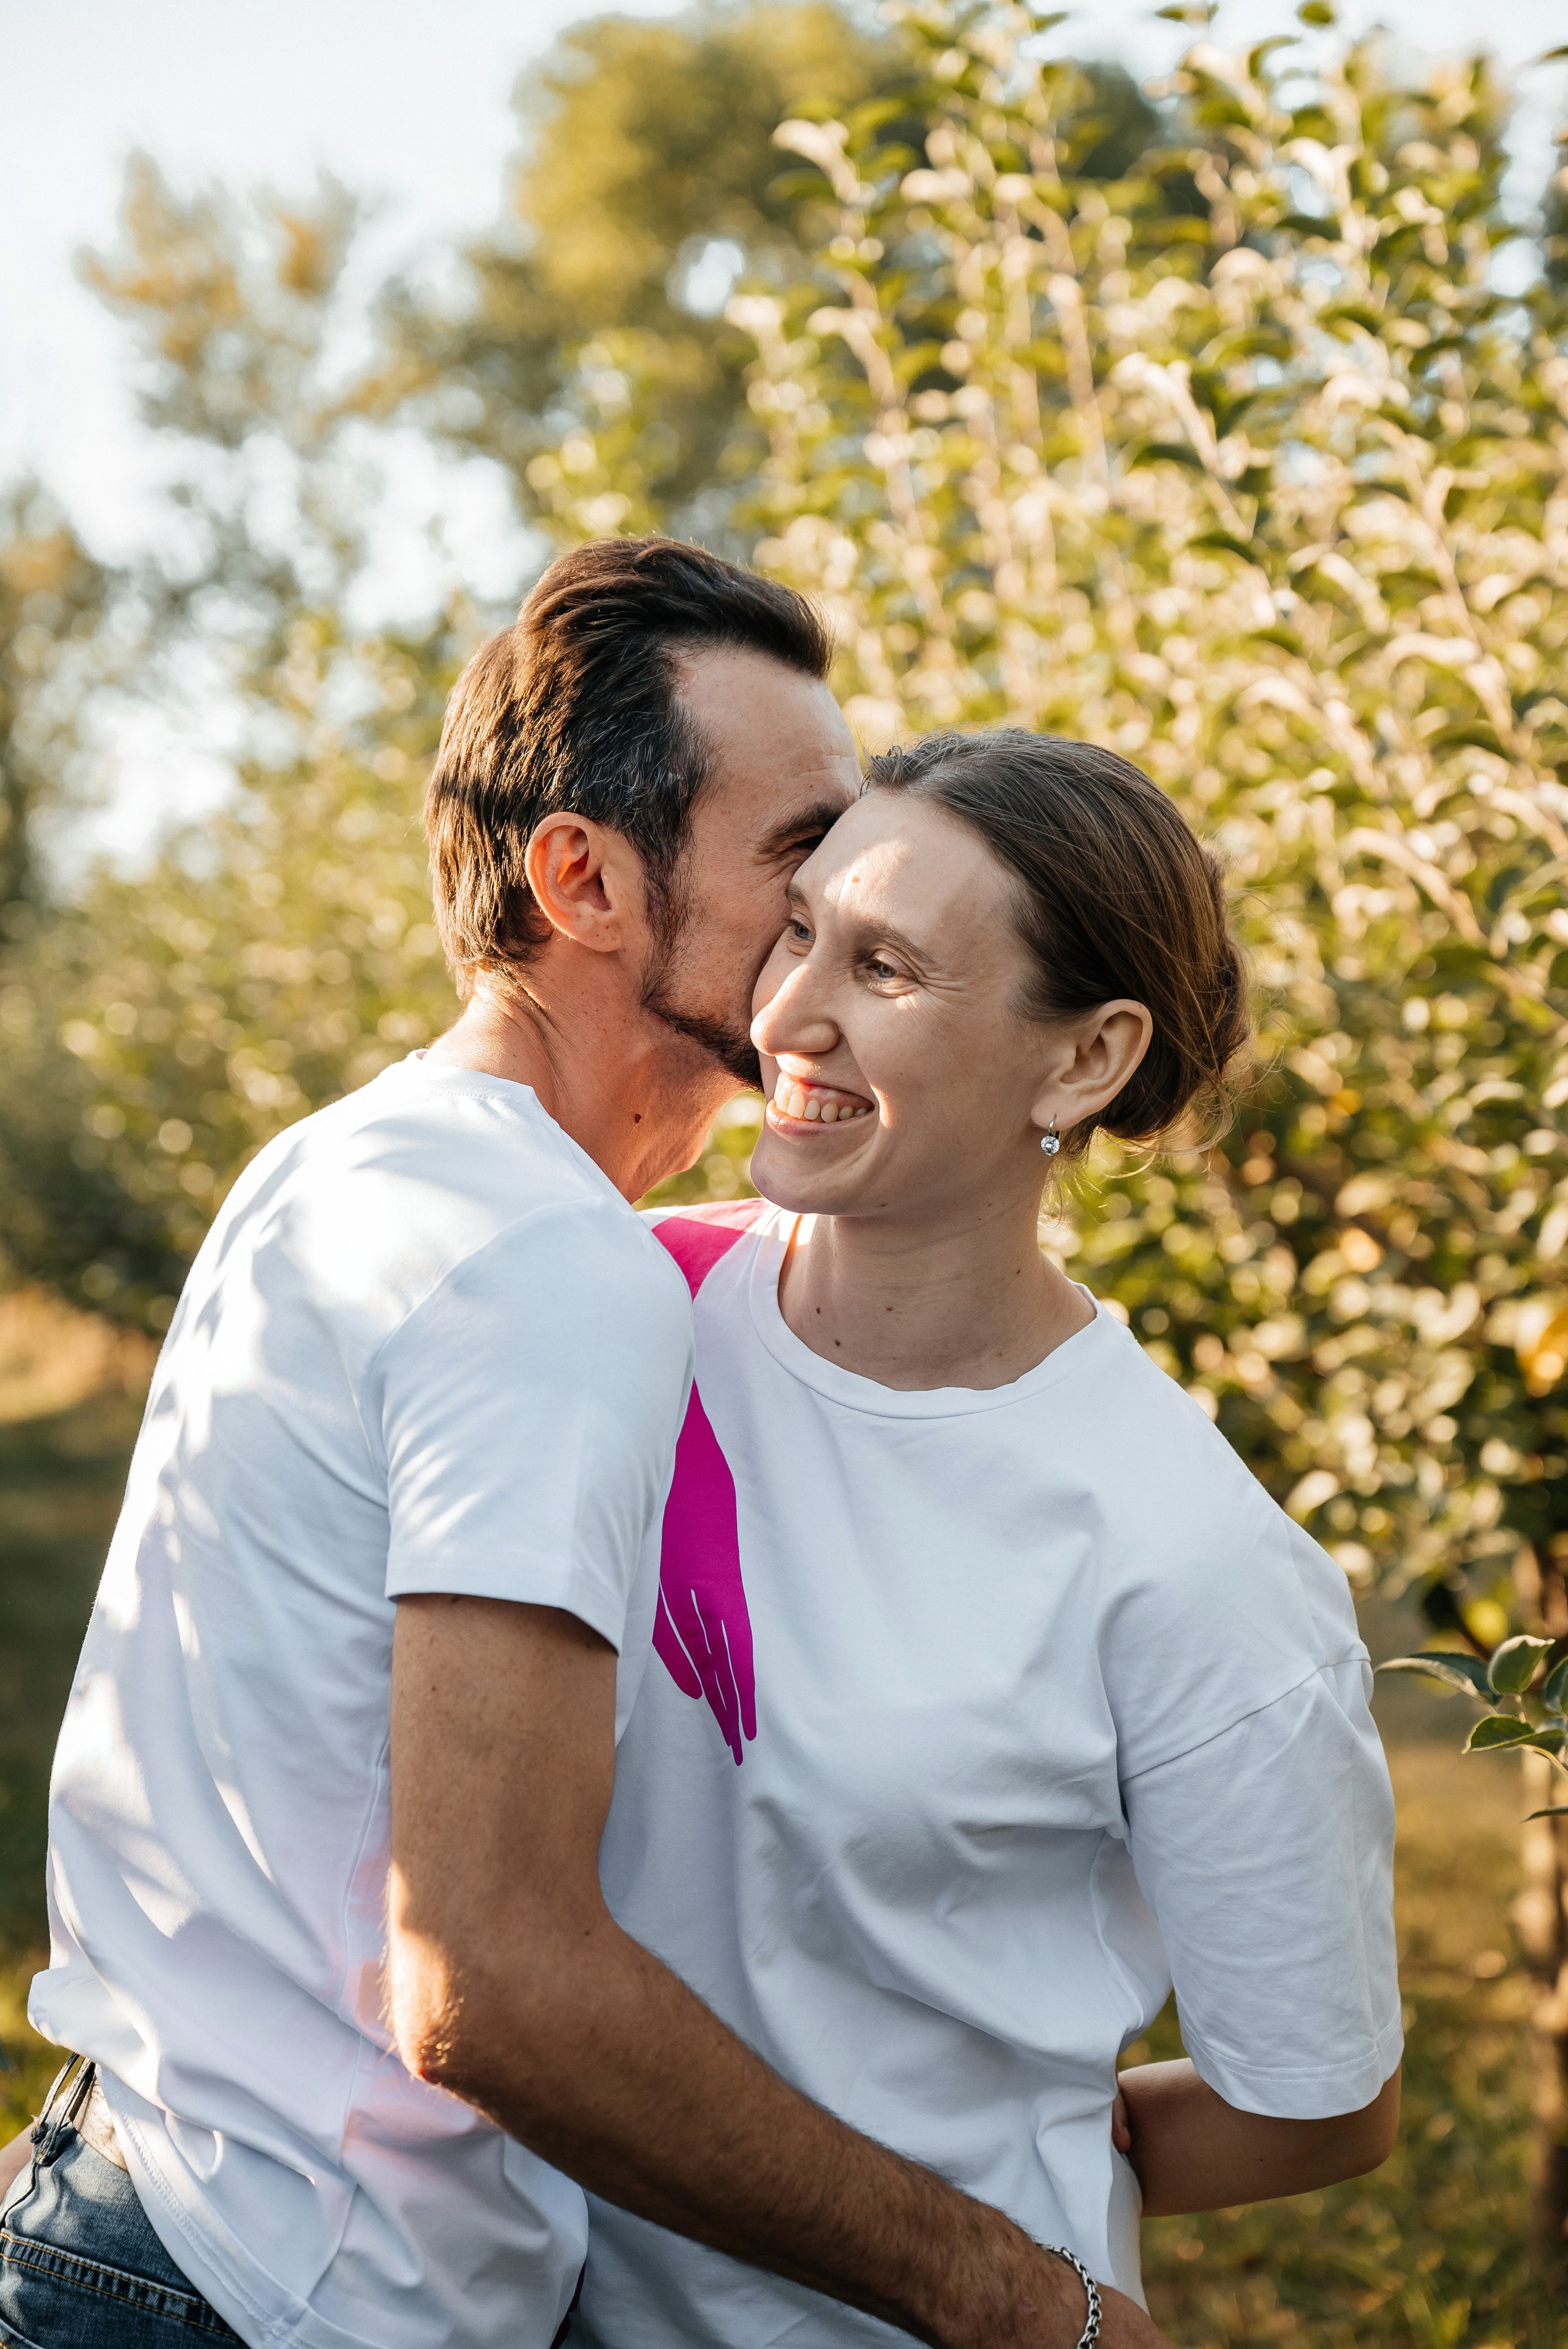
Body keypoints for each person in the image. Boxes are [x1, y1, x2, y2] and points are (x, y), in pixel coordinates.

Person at [1, 546, 1166, 2349]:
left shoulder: (347, 1161)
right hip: (285, 2287)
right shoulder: (546, 1265)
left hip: (147, 2192)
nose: (847, 900)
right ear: (583, 876)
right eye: (802, 852)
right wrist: (1012, 2296)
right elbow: (497, 1986)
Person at [577, 728, 1404, 2348]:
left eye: (884, 965)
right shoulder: (613, 1307)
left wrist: (963, 2171)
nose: (787, 1012)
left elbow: (1319, 2103)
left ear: (1084, 1060)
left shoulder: (1190, 1561)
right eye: (801, 926)